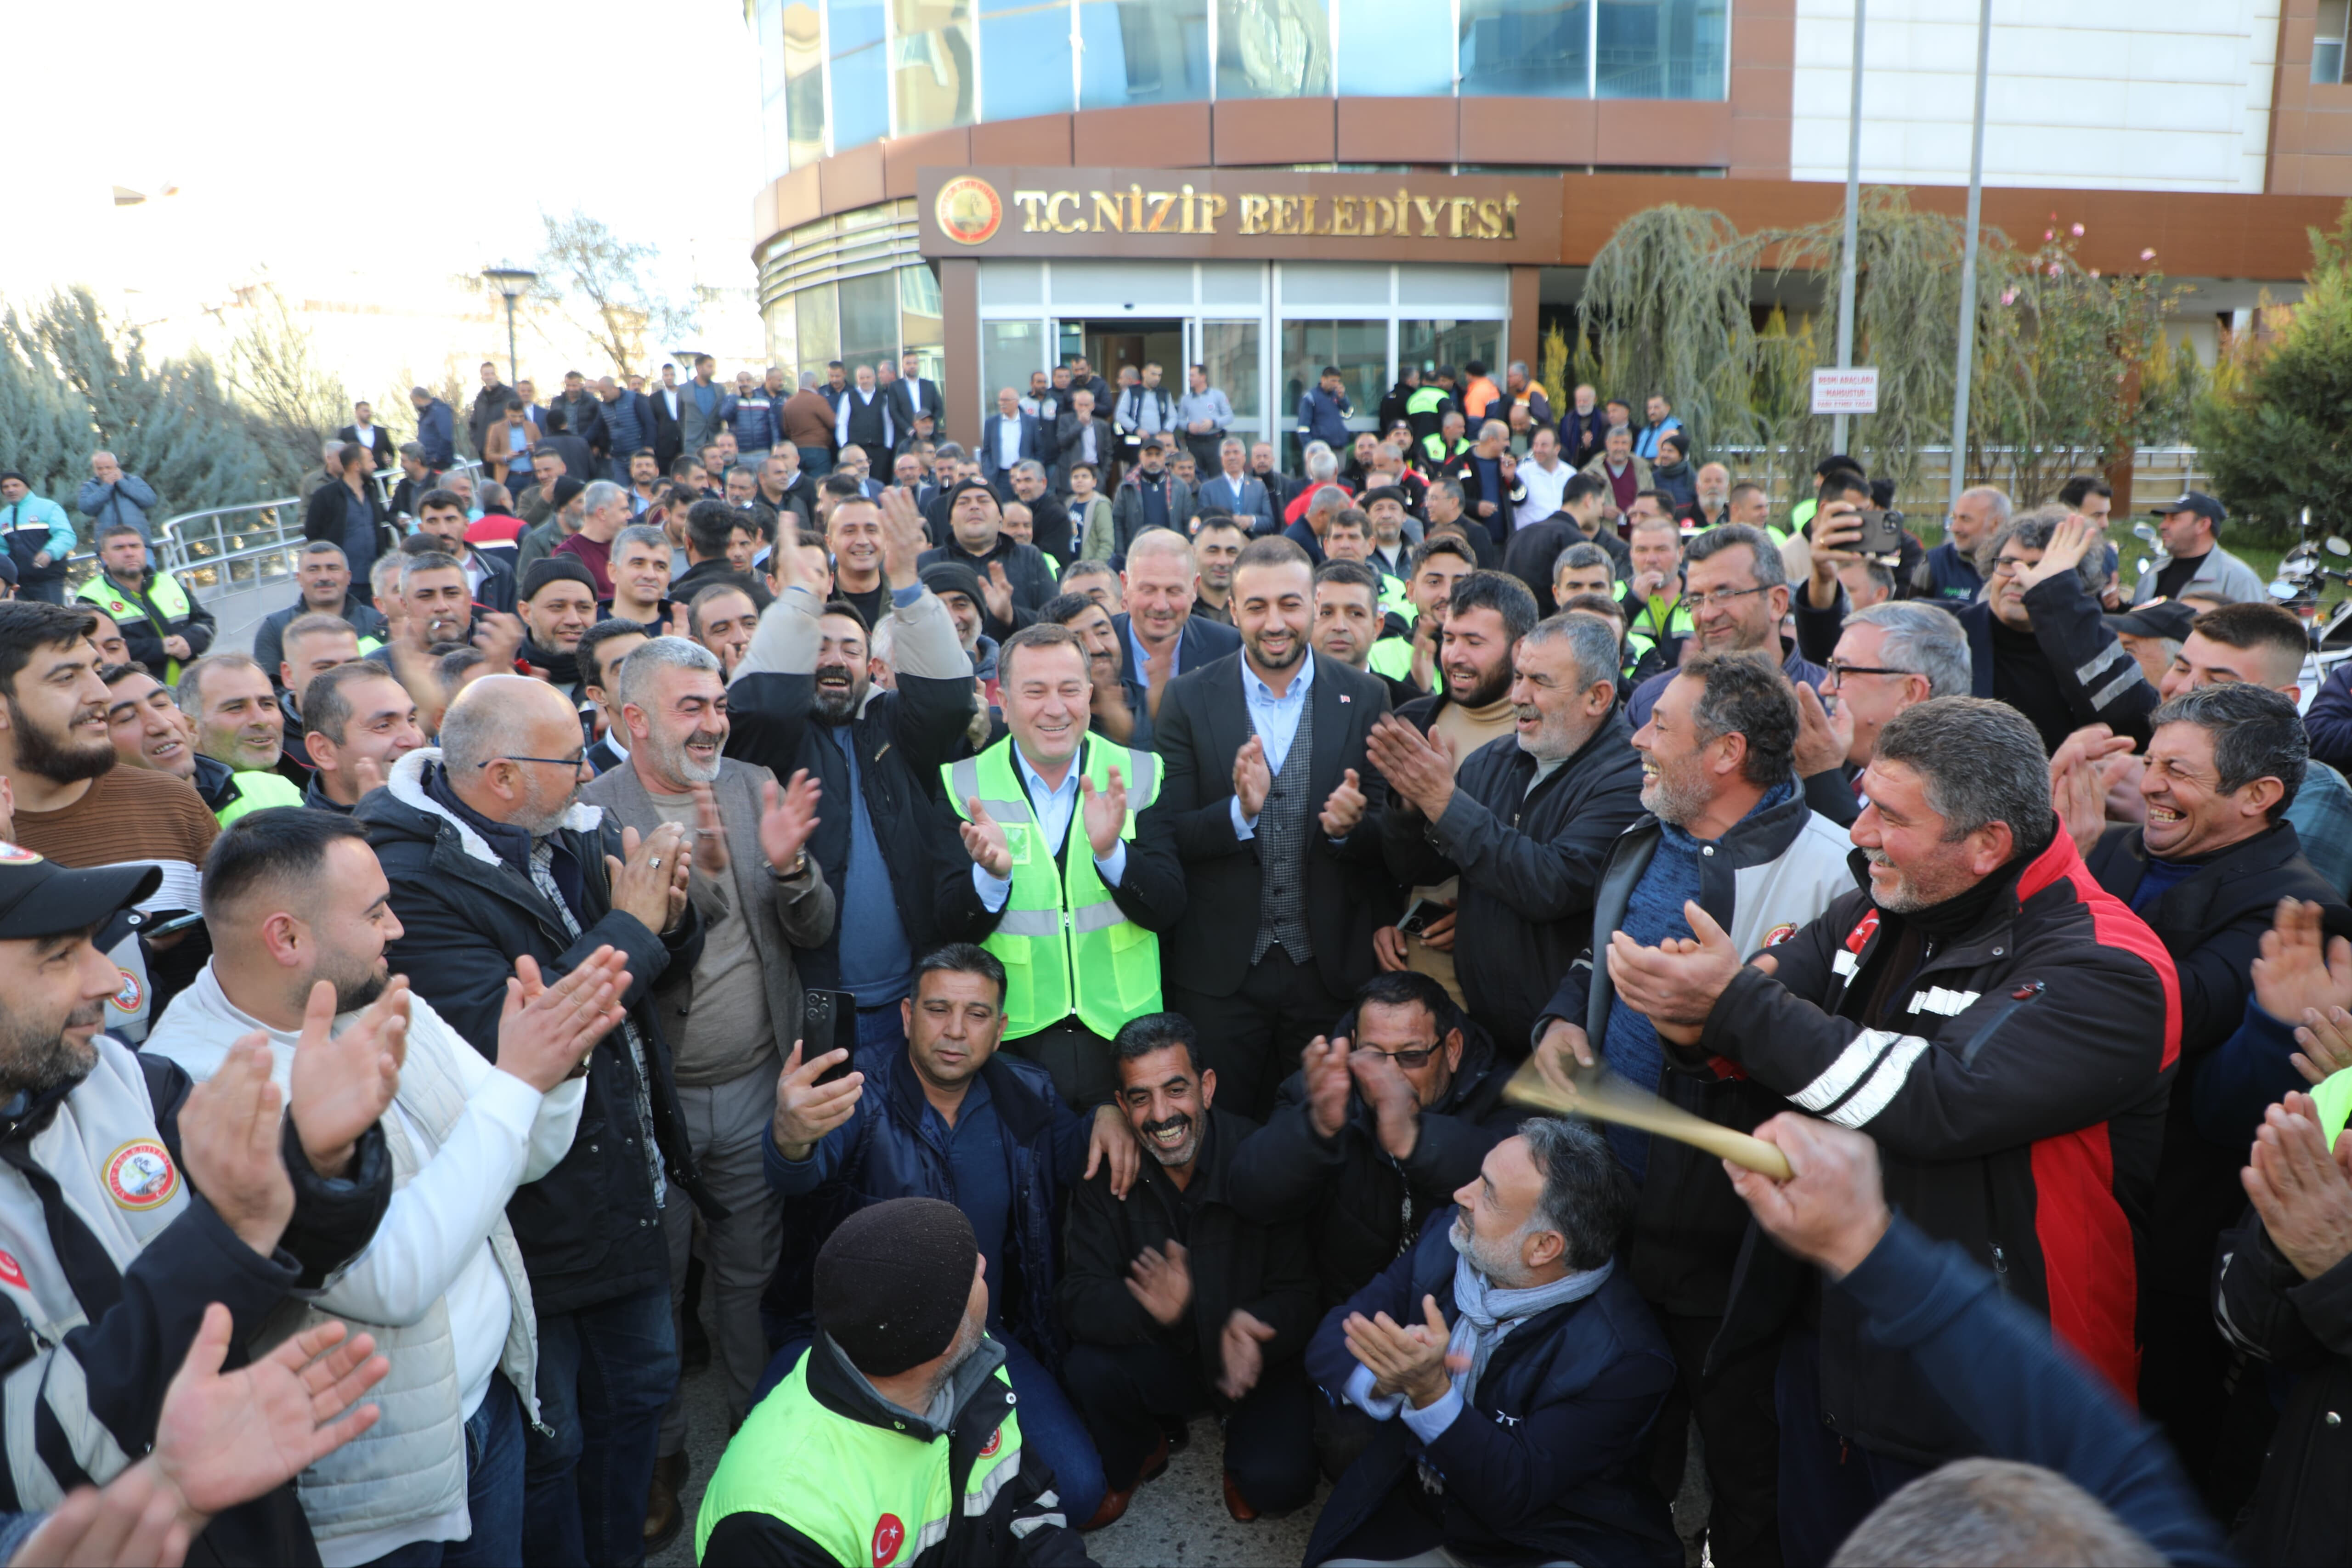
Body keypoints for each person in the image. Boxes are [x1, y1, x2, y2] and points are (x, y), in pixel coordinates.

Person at [1597, 696, 2180, 1560]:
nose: (1858, 828)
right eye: (1865, 797)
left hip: (1989, 1385)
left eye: (1890, 814)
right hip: (1824, 1341)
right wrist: (1694, 1024)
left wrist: (1732, 1006)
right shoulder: (1880, 902)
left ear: (1987, 844)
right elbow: (1767, 1020)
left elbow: (1939, 1096)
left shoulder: (2109, 964)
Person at [145, 808, 613, 1568]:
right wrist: (518, 1081)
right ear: (287, 937)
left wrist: (554, 1073)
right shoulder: (205, 1083)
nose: (395, 929)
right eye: (374, 912)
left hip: (485, 1408)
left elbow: (519, 1155)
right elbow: (391, 1280)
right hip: (377, 1496)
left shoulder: (372, 993)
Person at [355, 673, 714, 1568]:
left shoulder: (562, 829)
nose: (592, 774)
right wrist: (631, 924)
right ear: (504, 775)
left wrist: (671, 905)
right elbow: (507, 1037)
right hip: (527, 1226)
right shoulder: (409, 877)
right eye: (574, 758)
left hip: (623, 1192)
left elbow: (651, 963)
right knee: (553, 1450)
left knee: (638, 1396)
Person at [1527, 649, 1855, 1562]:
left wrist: (1713, 1031)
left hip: (1725, 1227)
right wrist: (1566, 1011)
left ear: (1724, 754)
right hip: (1614, 1189)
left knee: (1741, 1442)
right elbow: (1603, 948)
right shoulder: (1648, 829)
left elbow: (1836, 1072)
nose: (1635, 735)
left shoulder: (1831, 872)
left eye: (1659, 724)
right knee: (1629, 1413)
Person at [0, 838, 402, 1563]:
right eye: (58, 956)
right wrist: (232, 1233)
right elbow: (36, 1460)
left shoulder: (119, 1078)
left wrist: (316, 1159)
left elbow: (293, 1262)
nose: (108, 978)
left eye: (95, 943)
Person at [578, 637, 835, 1548]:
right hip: (655, 1105)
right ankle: (663, 1460)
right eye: (691, 705)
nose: (714, 721)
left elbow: (813, 928)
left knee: (747, 1276)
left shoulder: (754, 783)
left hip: (760, 1085)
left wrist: (791, 868)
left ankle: (756, 1434)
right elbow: (603, 971)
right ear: (633, 719)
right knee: (654, 1288)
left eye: (717, 703)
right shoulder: (590, 815)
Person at [2067, 683, 2348, 1490]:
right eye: (2151, 762)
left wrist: (2060, 882)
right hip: (2073, 1199)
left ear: (2258, 795)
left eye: (2178, 772)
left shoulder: (2300, 914)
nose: (2150, 784)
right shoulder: (2116, 852)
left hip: (2169, 1248)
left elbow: (2178, 1050)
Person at [1728, 1115, 2228, 1568]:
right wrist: (1861, 1242)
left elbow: (2097, 1445)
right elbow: (2089, 1438)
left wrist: (1862, 1241)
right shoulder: (2163, 1547)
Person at [763, 945, 1137, 1528]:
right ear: (908, 1016)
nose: (955, 1030)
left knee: (1081, 1488)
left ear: (1000, 1028)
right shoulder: (858, 1091)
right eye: (938, 1009)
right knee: (789, 1502)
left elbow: (1074, 1152)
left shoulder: (1027, 1094)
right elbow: (801, 1168)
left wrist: (1106, 1113)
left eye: (977, 1014)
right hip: (849, 1341)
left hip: (975, 1337)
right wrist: (789, 1135)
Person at [1303, 1119, 1679, 1568]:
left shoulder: (1627, 1358)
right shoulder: (1452, 1241)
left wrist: (1430, 1392)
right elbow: (1331, 1340)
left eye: (1487, 1192)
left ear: (1542, 1246)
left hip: (1554, 1539)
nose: (1461, 1195)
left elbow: (1510, 1491)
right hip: (1425, 1513)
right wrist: (1389, 1377)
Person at [1142, 537, 1396, 1120]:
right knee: (1223, 1130)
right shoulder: (1186, 697)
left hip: (1328, 969)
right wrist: (1240, 813)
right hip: (1220, 974)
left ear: (1312, 603)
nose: (1274, 622)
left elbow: (1389, 837)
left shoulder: (1364, 695)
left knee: (1325, 1134)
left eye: (1289, 604)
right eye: (1256, 607)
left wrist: (1349, 830)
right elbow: (1169, 834)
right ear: (1231, 610)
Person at [695, 1198, 1093, 1565]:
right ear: (943, 1338)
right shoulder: (773, 1523)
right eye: (967, 1272)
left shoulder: (973, 1359)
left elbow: (1025, 1506)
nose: (984, 1264)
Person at [728, 491, 976, 1052]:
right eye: (818, 647)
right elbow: (761, 702)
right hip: (816, 996)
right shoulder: (779, 737)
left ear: (872, 667)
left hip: (914, 995)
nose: (835, 659)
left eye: (849, 647)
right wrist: (797, 600)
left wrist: (909, 582)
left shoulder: (894, 726)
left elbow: (948, 703)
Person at [1058, 1013, 1319, 1528]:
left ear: (1207, 1086)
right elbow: (1074, 1297)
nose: (1160, 1113)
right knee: (1088, 1367)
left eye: (1175, 1089)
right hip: (1167, 1357)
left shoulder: (1261, 1158)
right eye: (1139, 1097)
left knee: (1280, 1483)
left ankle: (1240, 1447)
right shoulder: (1107, 1173)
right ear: (1121, 1103)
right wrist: (1148, 1308)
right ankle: (1143, 1448)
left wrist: (1255, 1328)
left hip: (1255, 1361)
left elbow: (1305, 1291)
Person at [1373, 608, 1648, 1055]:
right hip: (1481, 1033)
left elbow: (1550, 884)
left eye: (1539, 681)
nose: (1518, 694)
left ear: (1597, 697)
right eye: (1518, 676)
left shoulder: (1629, 777)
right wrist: (1411, 805)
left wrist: (1445, 803)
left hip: (1567, 1042)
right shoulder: (1491, 760)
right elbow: (1417, 868)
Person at [944, 623, 1184, 1109]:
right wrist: (991, 876)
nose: (1055, 708)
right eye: (1035, 691)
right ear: (1003, 703)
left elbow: (1169, 907)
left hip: (1127, 1038)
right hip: (1013, 1041)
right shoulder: (960, 783)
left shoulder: (1138, 773)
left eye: (1069, 689)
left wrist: (1111, 854)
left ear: (1089, 696)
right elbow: (944, 924)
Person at [1228, 965, 1519, 1352]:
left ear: (1452, 1049)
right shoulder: (1326, 1088)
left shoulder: (1505, 1093)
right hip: (1338, 1326)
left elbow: (1516, 1188)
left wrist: (1415, 1140)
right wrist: (1314, 1128)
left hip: (1458, 1337)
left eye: (1411, 1056)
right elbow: (1250, 1193)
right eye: (1373, 1056)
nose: (1391, 1076)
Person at [1807, 506, 2154, 753]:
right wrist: (1823, 581)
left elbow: (2136, 721)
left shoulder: (2091, 643)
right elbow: (1840, 652)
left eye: (2040, 567)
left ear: (2071, 582)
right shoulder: (1944, 627)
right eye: (2008, 562)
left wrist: (2056, 600)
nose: (2018, 575)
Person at [2156, 599, 2352, 895]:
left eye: (2219, 682)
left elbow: (2288, 919)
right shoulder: (2130, 761)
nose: (2183, 689)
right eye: (2182, 668)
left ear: (2283, 700)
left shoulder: (2316, 791)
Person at [1792, 599, 1972, 828]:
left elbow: (1866, 861)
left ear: (1910, 692)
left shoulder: (1948, 795)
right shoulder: (1843, 756)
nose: (1825, 688)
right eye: (1830, 668)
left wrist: (1821, 776)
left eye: (1842, 671)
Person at [1625, 522, 1822, 729]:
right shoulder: (1651, 702)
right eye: (1696, 599)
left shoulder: (1828, 702)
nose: (1707, 614)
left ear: (1777, 602)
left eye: (1725, 594)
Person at [1114, 528, 1241, 747]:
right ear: (1125, 586)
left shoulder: (1229, 648)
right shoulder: (1095, 648)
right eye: (1148, 590)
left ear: (1195, 588)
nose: (1161, 605)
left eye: (1174, 591)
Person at [918, 480, 1058, 645]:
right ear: (951, 519)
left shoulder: (1030, 557)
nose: (974, 507)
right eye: (964, 502)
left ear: (1000, 517)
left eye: (983, 501)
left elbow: (1056, 621)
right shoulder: (928, 562)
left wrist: (1011, 616)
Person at [73, 521, 214, 684]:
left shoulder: (169, 582)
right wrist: (161, 648)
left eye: (135, 546)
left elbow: (206, 623)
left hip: (191, 684)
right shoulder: (91, 596)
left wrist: (188, 641)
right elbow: (99, 650)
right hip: (136, 688)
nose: (129, 553)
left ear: (144, 550)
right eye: (119, 548)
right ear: (105, 557)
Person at [176, 654, 306, 823]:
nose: (261, 720)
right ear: (191, 728)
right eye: (236, 708)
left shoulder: (315, 779)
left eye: (267, 704)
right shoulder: (184, 819)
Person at [254, 541, 389, 685]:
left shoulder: (377, 623)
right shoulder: (275, 630)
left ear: (348, 577)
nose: (324, 577)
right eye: (314, 570)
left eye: (333, 569)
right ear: (299, 578)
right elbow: (269, 688)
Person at [302, 660, 426, 812]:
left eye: (411, 720)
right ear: (323, 751)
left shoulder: (450, 803)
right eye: (383, 726)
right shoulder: (302, 836)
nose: (415, 740)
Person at [2134, 491, 2269, 605]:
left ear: (2203, 525)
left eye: (2174, 518)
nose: (2162, 526)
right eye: (2165, 519)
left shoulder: (2239, 579)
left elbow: (2256, 634)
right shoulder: (2154, 572)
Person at [1914, 485, 2010, 606]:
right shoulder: (1934, 564)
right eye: (1954, 518)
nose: (1955, 528)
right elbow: (1911, 618)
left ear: (1997, 524)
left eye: (1965, 519)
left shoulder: (2020, 567)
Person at [1107, 437, 1195, 561]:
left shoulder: (1180, 486)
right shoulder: (1127, 486)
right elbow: (1118, 521)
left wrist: (1185, 552)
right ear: (1141, 457)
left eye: (1158, 455)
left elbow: (1188, 521)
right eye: (1149, 455)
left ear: (1165, 457)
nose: (1153, 460)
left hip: (1173, 554)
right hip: (1139, 555)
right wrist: (1121, 555)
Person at [0, 468, 74, 604]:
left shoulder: (48, 508)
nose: (11, 490)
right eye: (6, 487)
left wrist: (49, 553)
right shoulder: (3, 516)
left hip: (48, 580)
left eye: (16, 485)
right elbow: (2, 549)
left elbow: (66, 536)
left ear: (27, 487)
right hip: (18, 585)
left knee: (52, 622)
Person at [77, 450, 159, 545]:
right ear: (95, 470)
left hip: (139, 542)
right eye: (100, 469)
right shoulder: (90, 486)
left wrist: (123, 483)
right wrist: (107, 486)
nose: (105, 472)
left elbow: (150, 500)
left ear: (117, 466)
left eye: (108, 467)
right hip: (110, 545)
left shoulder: (133, 481)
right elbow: (86, 508)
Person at [1579, 425, 1652, 523]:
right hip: (1604, 533)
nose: (1620, 448)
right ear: (1607, 444)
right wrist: (1601, 510)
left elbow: (1653, 501)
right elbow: (1580, 505)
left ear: (1631, 445)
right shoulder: (1591, 473)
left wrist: (1639, 510)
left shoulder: (1643, 470)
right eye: (1616, 443)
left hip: (1638, 532)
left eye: (1624, 443)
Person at [980, 385, 1044, 498]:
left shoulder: (1031, 422)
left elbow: (1039, 449)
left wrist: (1034, 469)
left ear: (1016, 402)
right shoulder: (991, 423)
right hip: (1000, 476)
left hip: (1024, 475)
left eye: (1006, 400)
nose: (1002, 403)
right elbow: (987, 450)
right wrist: (988, 469)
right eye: (1000, 400)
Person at [1054, 389, 1115, 497]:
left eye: (1086, 405)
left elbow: (1108, 451)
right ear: (1074, 405)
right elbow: (1062, 442)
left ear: (1093, 406)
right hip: (1071, 473)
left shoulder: (1102, 425)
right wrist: (1080, 424)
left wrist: (1103, 474)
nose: (1083, 408)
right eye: (1080, 405)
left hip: (1094, 471)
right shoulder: (1065, 420)